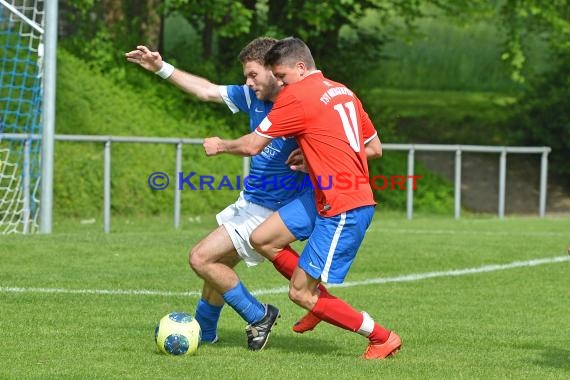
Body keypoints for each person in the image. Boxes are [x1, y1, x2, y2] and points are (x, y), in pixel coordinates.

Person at [202, 37, 401, 359]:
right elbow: (374, 149)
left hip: (343, 204)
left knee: (298, 292)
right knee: (262, 238)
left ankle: (381, 337)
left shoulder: (296, 96)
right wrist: (315, 160)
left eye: (281, 76)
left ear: (300, 67)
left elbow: (254, 145)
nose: (279, 84)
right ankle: (316, 301)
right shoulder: (342, 91)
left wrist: (221, 145)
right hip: (323, 192)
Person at [125, 38, 324, 350]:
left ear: (274, 71)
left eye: (253, 75)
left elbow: (339, 142)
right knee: (218, 266)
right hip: (251, 201)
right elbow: (206, 90)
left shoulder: (298, 104)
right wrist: (159, 67)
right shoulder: (253, 96)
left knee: (200, 257)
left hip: (271, 209)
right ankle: (205, 333)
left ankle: (259, 314)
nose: (247, 82)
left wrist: (223, 145)